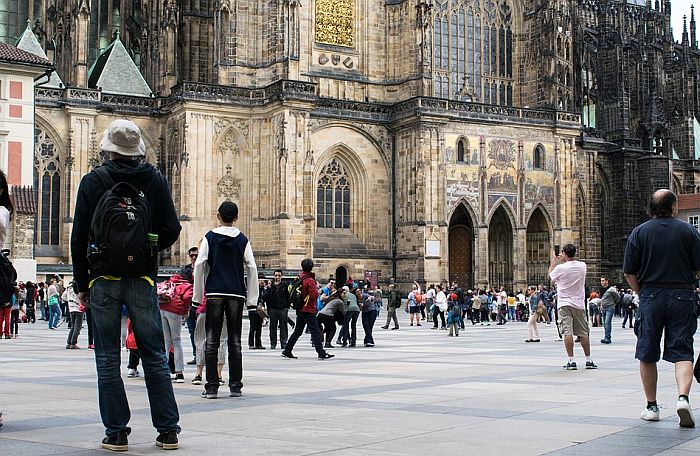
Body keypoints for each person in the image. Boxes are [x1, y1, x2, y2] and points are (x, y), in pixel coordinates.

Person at [71, 119, 182, 450]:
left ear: (109, 148)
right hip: (142, 277)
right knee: (154, 355)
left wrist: (81, 281)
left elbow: (78, 236)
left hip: (102, 278)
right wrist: (148, 247)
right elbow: (172, 229)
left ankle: (117, 432)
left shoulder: (94, 180)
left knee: (107, 357)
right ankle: (167, 430)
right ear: (136, 151)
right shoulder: (153, 179)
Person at [623, 189, 700, 427]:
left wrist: (641, 292)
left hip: (651, 293)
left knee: (647, 352)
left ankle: (652, 406)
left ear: (651, 209)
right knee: (683, 349)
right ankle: (683, 398)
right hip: (683, 293)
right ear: (675, 207)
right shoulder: (689, 231)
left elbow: (629, 272)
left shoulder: (639, 232)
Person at [193, 201, 259, 399]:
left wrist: (197, 296)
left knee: (212, 340)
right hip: (236, 293)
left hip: (214, 292)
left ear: (217, 215)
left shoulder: (209, 237)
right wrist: (252, 300)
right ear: (236, 217)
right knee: (234, 340)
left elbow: (199, 265)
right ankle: (235, 385)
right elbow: (252, 267)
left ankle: (212, 386)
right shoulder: (242, 239)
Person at [548, 244, 597, 371]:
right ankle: (589, 360)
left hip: (564, 304)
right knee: (583, 332)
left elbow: (551, 277)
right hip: (579, 304)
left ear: (563, 253)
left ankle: (571, 360)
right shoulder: (582, 266)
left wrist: (554, 261)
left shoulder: (560, 268)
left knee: (567, 332)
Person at [281, 258, 334, 360]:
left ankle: (287, 350)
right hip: (308, 309)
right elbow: (313, 295)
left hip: (300, 308)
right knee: (315, 331)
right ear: (311, 267)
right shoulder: (310, 280)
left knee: (298, 331)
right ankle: (321, 353)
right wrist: (318, 291)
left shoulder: (300, 277)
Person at [181, 246, 198, 365]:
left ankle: (205, 355)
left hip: (202, 305)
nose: (194, 257)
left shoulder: (205, 267)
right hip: (190, 305)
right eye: (192, 255)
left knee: (204, 331)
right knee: (192, 330)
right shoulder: (186, 270)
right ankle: (196, 355)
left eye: (196, 255)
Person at [266, 269, 290, 349]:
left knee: (283, 327)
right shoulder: (271, 286)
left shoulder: (285, 285)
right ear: (273, 276)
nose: (277, 277)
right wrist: (269, 288)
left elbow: (288, 297)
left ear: (281, 276)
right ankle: (273, 343)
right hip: (273, 309)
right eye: (276, 275)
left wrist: (287, 307)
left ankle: (284, 343)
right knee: (272, 327)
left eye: (279, 276)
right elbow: (266, 297)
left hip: (283, 309)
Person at [248, 274, 267, 350]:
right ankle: (251, 344)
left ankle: (258, 343)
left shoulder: (264, 290)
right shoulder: (253, 288)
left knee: (259, 327)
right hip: (253, 310)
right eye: (260, 279)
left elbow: (266, 298)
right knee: (253, 327)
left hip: (260, 310)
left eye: (263, 279)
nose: (261, 281)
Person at [598, 277, 619, 344]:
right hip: (603, 308)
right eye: (601, 281)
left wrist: (614, 303)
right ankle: (606, 337)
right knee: (605, 323)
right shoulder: (601, 289)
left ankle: (608, 338)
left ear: (607, 281)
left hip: (610, 308)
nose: (602, 282)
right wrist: (601, 305)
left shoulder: (612, 289)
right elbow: (601, 298)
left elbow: (618, 297)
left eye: (603, 281)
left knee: (607, 322)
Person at [64, 281, 84, 348]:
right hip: (79, 308)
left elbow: (63, 296)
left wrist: (70, 301)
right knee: (77, 327)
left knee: (73, 326)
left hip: (71, 308)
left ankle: (69, 343)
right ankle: (73, 343)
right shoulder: (78, 287)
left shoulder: (68, 288)